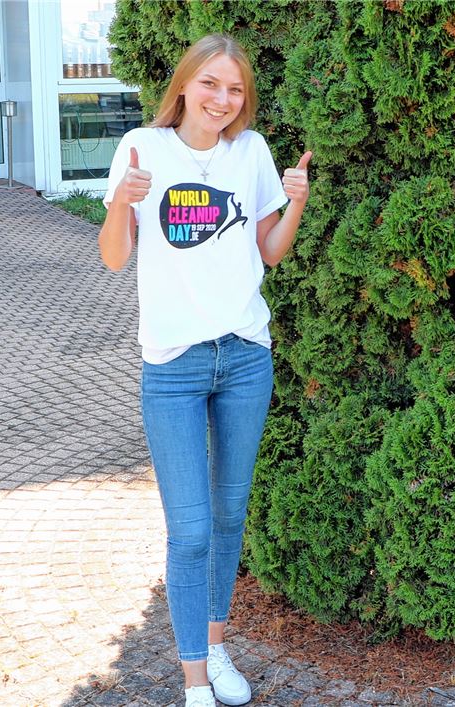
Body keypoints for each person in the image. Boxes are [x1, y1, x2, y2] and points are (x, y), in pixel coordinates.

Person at [99, 33, 311, 707]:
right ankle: (195, 683)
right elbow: (112, 258)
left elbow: (271, 251)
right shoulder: (143, 148)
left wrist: (297, 200)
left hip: (246, 357)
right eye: (212, 83)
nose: (223, 99)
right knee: (189, 528)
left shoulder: (250, 153)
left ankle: (216, 647)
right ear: (186, 84)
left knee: (227, 516)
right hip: (173, 366)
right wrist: (118, 202)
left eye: (236, 90)